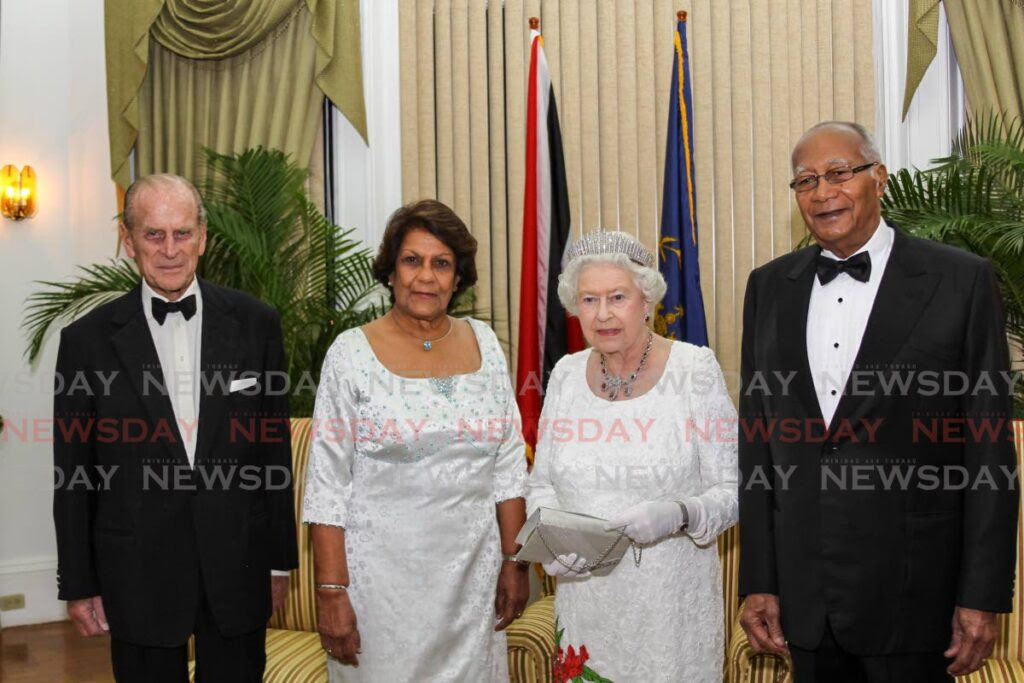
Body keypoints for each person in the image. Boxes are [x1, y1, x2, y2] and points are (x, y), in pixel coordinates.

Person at [738, 121, 1019, 682]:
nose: (823, 192)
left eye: (840, 173)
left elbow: (990, 452)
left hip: (915, 591)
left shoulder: (960, 281)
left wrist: (982, 593)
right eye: (806, 181)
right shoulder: (768, 287)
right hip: (806, 596)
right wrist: (759, 580)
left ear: (879, 178)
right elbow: (759, 448)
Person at [52, 174, 298, 682]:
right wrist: (78, 582)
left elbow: (272, 455)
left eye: (182, 234)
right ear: (128, 239)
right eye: (153, 234)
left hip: (239, 565)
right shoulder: (86, 341)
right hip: (136, 570)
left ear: (203, 237)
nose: (169, 250)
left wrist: (278, 563)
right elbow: (73, 475)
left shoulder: (256, 324)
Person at [303, 199, 529, 681]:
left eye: (441, 263)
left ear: (458, 277)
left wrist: (515, 562)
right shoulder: (350, 354)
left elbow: (508, 463)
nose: (426, 276)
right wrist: (330, 591)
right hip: (381, 595)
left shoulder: (485, 343)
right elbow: (326, 488)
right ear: (390, 271)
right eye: (412, 260)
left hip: (474, 585)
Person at [526, 230, 739, 682]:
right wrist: (551, 542)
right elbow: (541, 481)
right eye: (588, 300)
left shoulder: (694, 369)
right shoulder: (564, 374)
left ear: (648, 301)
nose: (602, 314)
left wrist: (678, 514)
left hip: (669, 614)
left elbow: (734, 489)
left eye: (617, 296)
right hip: (584, 605)